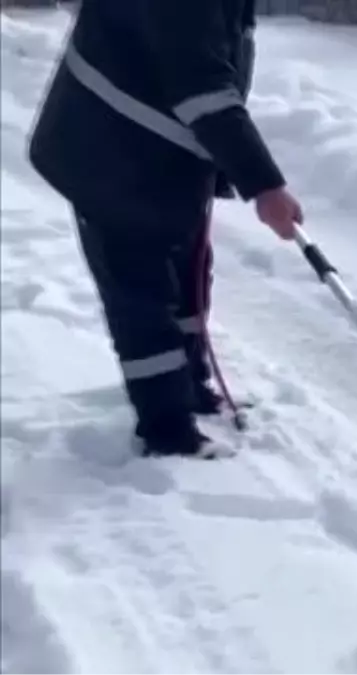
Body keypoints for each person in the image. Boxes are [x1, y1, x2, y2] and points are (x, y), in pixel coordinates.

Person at [26, 0, 303, 458]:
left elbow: (216, 65)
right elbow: (202, 89)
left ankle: (190, 388)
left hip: (156, 151)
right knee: (141, 293)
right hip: (103, 151)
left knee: (189, 269)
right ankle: (167, 430)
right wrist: (265, 186)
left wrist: (217, 168)